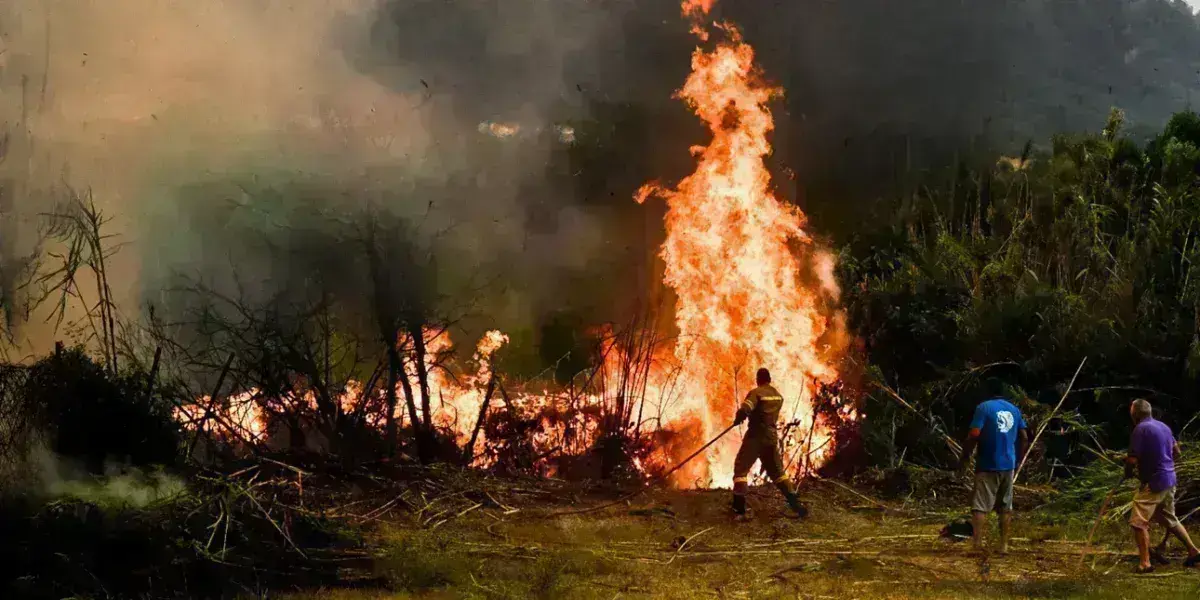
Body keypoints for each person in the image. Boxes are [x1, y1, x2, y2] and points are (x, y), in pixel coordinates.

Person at [1125, 399, 1200, 573]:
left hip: (1155, 482)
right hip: (1170, 478)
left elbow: (1132, 460)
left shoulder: (1140, 429)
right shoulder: (1163, 427)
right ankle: (1193, 550)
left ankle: (1145, 563)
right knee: (1169, 518)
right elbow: (1176, 452)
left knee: (1138, 522)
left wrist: (1128, 470)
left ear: (1134, 413)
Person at [958, 388, 1029, 554]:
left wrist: (966, 454)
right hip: (1008, 465)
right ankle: (1003, 546)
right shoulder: (1014, 409)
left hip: (987, 463)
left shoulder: (984, 407)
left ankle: (977, 545)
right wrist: (1018, 458)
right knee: (1005, 506)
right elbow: (1024, 437)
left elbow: (974, 433)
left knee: (980, 506)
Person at [731, 368, 808, 519]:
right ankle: (796, 505)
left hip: (755, 437)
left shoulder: (756, 393)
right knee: (778, 473)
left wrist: (739, 418)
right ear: (770, 379)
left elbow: (746, 408)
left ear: (758, 379)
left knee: (741, 469)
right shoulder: (778, 396)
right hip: (771, 437)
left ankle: (739, 509)